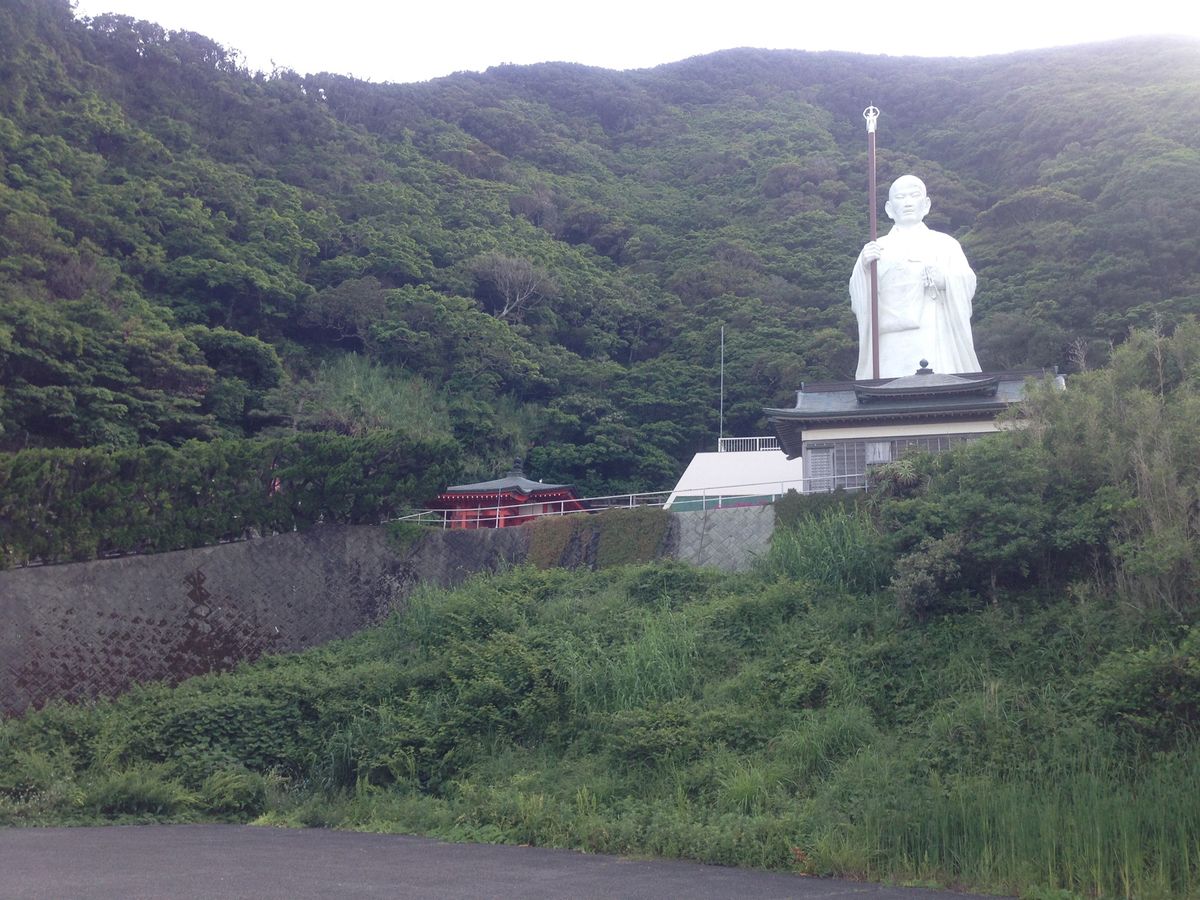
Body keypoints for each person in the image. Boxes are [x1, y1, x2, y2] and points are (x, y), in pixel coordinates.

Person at [849, 174, 981, 380]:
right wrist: (864, 268)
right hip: (891, 336)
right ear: (889, 209)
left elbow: (967, 281)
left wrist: (945, 279)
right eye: (900, 197)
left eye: (914, 195)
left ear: (926, 204)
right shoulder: (876, 248)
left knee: (940, 384)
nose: (908, 202)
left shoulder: (945, 243)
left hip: (933, 327)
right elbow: (859, 298)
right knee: (888, 390)